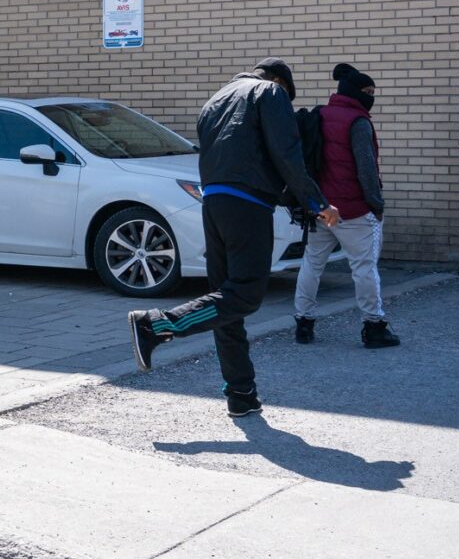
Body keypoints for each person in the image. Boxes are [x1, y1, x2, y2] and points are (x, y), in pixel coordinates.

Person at [127, 59, 340, 417]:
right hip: (248, 203)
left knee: (224, 298)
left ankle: (241, 393)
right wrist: (317, 201)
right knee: (245, 294)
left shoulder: (216, 99)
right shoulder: (271, 92)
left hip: (214, 203)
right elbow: (286, 153)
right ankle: (157, 325)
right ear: (278, 81)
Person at [293, 63, 399, 348]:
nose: (371, 96)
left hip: (320, 207)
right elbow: (366, 170)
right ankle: (374, 326)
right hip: (354, 209)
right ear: (354, 92)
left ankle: (303, 324)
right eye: (367, 91)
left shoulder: (320, 114)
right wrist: (376, 204)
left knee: (312, 264)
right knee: (364, 268)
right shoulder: (358, 122)